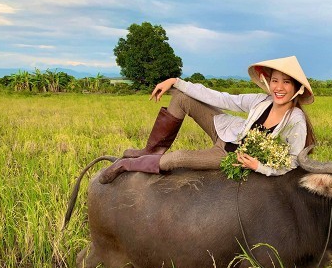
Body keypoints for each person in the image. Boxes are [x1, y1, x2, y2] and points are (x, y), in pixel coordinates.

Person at [99, 55, 316, 184]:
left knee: (177, 159)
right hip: (225, 131)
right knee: (182, 97)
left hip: (227, 155)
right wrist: (176, 81)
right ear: (269, 83)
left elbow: (293, 161)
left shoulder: (295, 120)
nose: (279, 88)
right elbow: (222, 99)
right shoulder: (261, 101)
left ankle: (126, 165)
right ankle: (151, 151)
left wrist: (260, 166)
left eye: (287, 82)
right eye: (275, 81)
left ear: (297, 88)